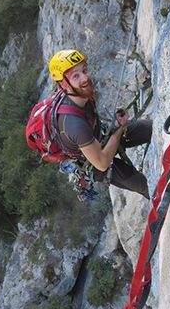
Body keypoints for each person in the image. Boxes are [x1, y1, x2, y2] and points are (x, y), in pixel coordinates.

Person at [49, 49, 152, 199]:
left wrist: (117, 127)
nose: (85, 78)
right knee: (147, 187)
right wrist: (118, 128)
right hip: (96, 162)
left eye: (84, 70)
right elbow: (102, 163)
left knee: (154, 128)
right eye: (76, 76)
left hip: (102, 137)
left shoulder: (82, 94)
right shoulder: (74, 125)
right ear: (64, 84)